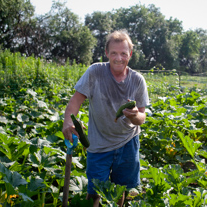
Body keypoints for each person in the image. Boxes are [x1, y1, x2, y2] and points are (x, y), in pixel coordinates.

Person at [62, 30, 150, 207]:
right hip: (98, 143)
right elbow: (76, 100)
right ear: (106, 53)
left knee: (119, 191)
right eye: (114, 53)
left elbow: (142, 118)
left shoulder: (138, 80)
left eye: (123, 53)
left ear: (130, 55)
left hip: (127, 143)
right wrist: (68, 121)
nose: (119, 58)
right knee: (94, 192)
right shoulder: (95, 72)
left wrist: (135, 116)